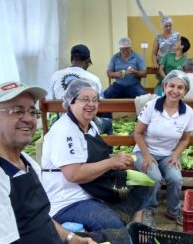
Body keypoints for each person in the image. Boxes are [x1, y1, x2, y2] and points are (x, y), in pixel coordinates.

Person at [0, 81, 133, 244]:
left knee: (122, 241)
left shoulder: (27, 162)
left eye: (32, 111)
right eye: (16, 111)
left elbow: (40, 216)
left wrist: (71, 238)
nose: (28, 118)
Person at [40, 78, 151, 232]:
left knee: (142, 185)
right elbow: (74, 175)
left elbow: (94, 158)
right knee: (113, 225)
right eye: (85, 99)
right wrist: (111, 163)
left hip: (93, 188)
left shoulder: (91, 125)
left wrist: (116, 160)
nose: (91, 104)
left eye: (95, 100)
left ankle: (134, 226)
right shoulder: (64, 131)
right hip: (68, 200)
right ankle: (118, 224)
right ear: (70, 102)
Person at [133, 70, 193, 226]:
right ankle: (149, 209)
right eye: (171, 86)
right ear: (164, 86)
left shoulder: (187, 112)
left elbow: (186, 139)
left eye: (180, 88)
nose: (175, 91)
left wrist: (175, 155)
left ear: (185, 92)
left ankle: (173, 210)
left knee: (176, 178)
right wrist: (147, 156)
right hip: (144, 151)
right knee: (154, 178)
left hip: (168, 154)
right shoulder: (152, 106)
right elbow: (138, 134)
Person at [51, 44, 112, 134]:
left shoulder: (56, 76)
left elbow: (54, 102)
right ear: (87, 61)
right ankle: (99, 145)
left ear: (72, 60)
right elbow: (101, 106)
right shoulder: (93, 79)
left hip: (62, 123)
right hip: (85, 125)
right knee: (108, 123)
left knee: (54, 120)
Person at [151, 12, 180, 95]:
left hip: (173, 63)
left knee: (175, 82)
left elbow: (181, 49)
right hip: (161, 64)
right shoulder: (158, 38)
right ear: (162, 26)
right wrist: (155, 63)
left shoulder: (177, 36)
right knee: (163, 83)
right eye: (166, 26)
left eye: (170, 25)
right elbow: (153, 53)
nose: (168, 28)